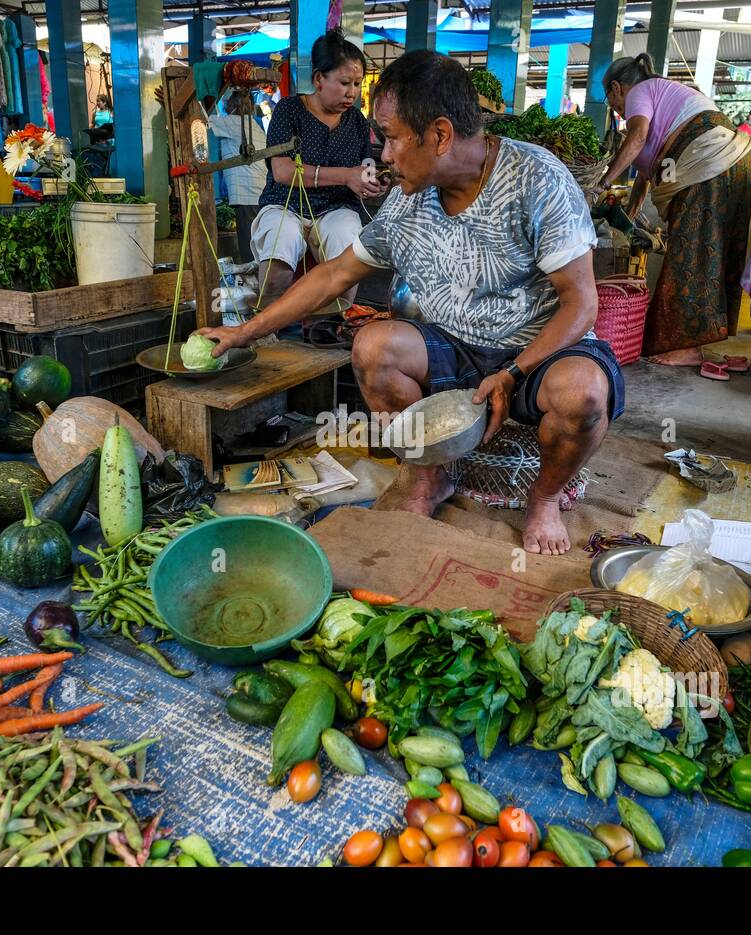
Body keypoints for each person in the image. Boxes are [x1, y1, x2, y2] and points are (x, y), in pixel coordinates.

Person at [195, 51, 623, 556]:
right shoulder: (407, 200)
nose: (385, 153)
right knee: (375, 348)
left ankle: (545, 498)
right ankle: (429, 476)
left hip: (538, 351)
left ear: (440, 135)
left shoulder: (537, 179)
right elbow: (335, 274)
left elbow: (581, 304)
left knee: (583, 393)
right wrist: (243, 331)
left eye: (392, 137)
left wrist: (513, 373)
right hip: (454, 348)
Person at [595, 54, 751, 367]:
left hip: (707, 161)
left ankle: (687, 348)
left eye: (613, 103)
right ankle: (700, 340)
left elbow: (637, 136)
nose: (618, 110)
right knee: (713, 255)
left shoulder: (641, 91)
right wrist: (628, 217)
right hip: (731, 161)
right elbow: (643, 175)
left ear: (617, 87)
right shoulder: (666, 98)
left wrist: (601, 184)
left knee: (689, 253)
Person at [251, 29, 386, 312]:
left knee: (348, 251)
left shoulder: (358, 123)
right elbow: (283, 172)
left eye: (357, 84)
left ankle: (327, 325)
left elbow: (366, 166)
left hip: (336, 209)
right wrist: (346, 175)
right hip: (284, 206)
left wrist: (372, 180)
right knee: (282, 241)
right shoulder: (289, 110)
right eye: (344, 82)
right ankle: (266, 326)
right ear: (318, 79)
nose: (352, 92)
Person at [209, 89, 268, 259]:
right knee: (259, 242)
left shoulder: (234, 122)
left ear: (232, 106)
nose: (226, 107)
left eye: (227, 104)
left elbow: (203, 120)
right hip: (260, 193)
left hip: (248, 195)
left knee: (249, 245)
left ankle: (255, 281)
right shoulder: (254, 126)